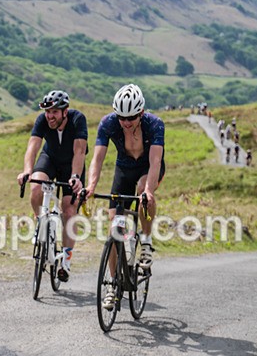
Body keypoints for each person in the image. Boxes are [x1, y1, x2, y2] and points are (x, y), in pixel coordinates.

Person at [86, 83, 165, 269]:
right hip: (124, 168)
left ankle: (146, 240)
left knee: (143, 191)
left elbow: (155, 161)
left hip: (148, 167)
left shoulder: (155, 124)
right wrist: (91, 186)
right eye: (122, 117)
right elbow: (97, 159)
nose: (126, 122)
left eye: (131, 117)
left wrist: (149, 191)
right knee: (114, 226)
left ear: (141, 112)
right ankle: (114, 282)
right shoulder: (108, 123)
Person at [17, 90, 88, 282]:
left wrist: (75, 176)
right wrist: (27, 171)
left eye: (54, 112)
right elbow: (33, 147)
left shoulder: (77, 119)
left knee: (69, 210)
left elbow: (80, 151)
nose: (50, 116)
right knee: (35, 187)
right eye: (48, 112)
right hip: (50, 159)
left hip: (72, 164)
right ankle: (40, 221)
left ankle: (66, 259)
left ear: (65, 111)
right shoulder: (42, 120)